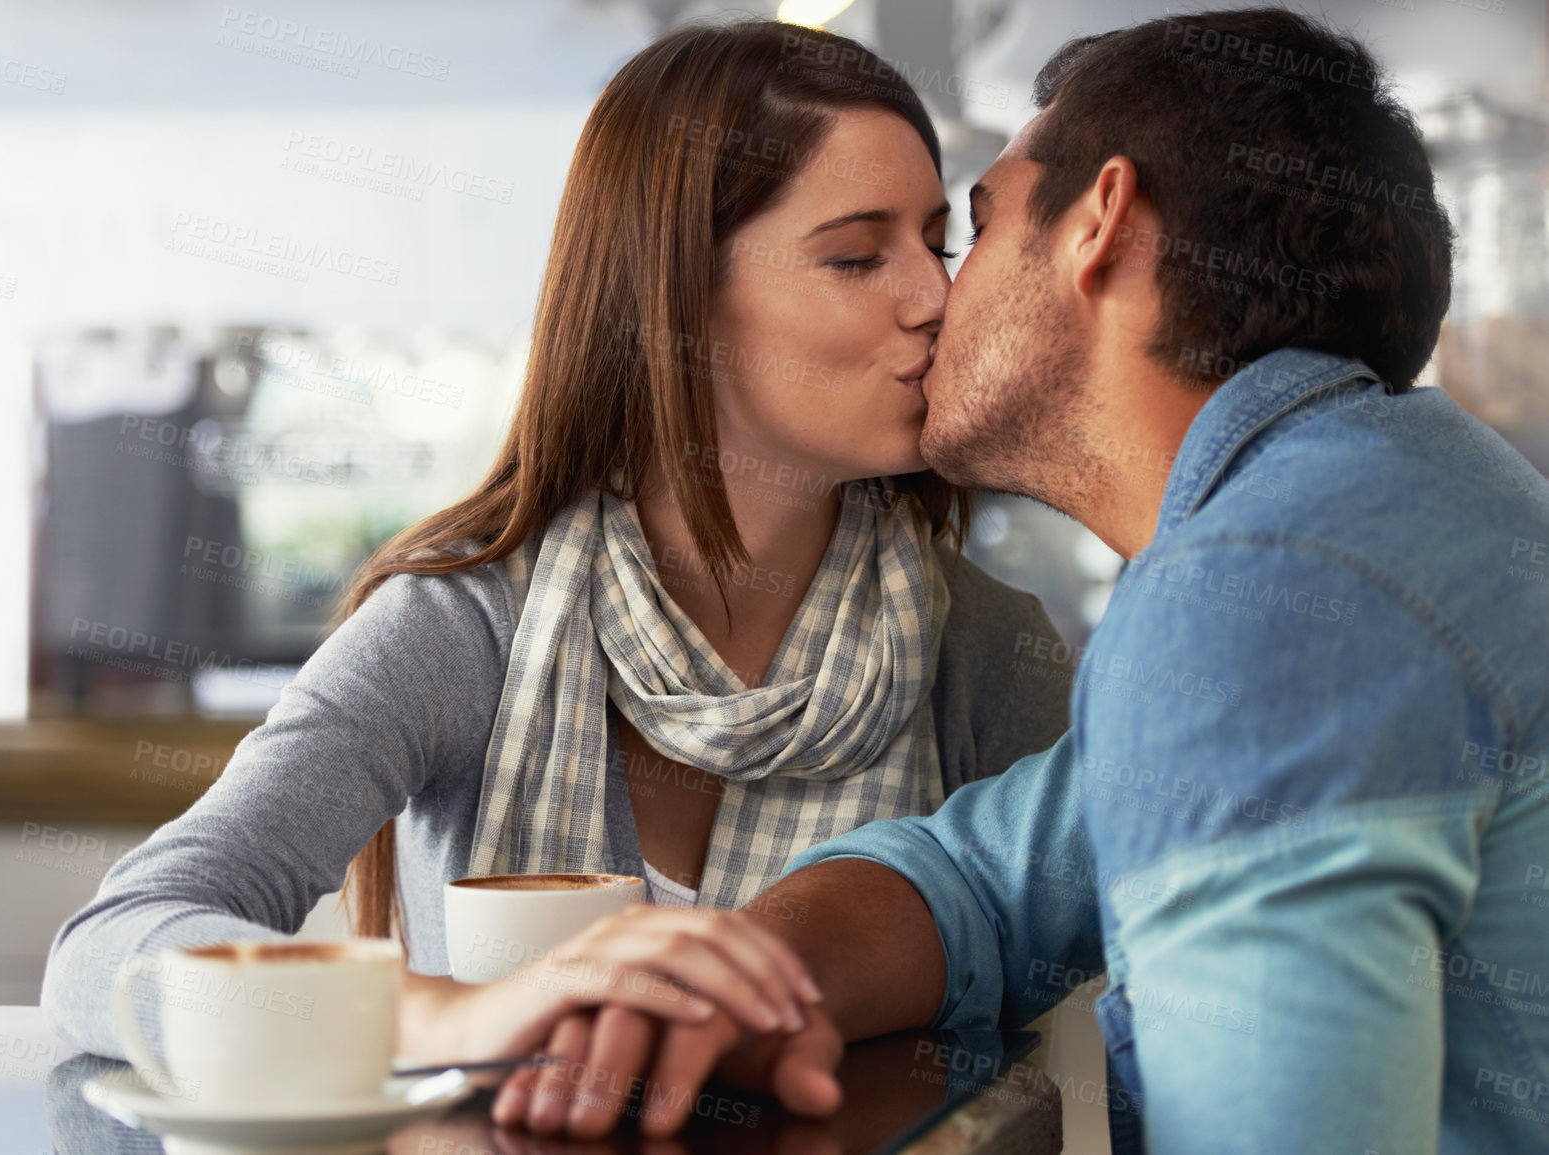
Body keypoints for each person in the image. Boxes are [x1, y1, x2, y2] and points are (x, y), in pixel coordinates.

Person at [494, 8, 1549, 1153]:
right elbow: (986, 884)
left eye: (975, 228)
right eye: (861, 254)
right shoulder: (1387, 502)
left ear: (1100, 222)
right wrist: (741, 979)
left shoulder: (1271, 592)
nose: (938, 296)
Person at [39, 20, 1073, 1103]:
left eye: (935, 240)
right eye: (857, 256)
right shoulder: (464, 622)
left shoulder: (988, 649)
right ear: (673, 294)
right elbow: (110, 949)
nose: (933, 297)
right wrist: (462, 1016)